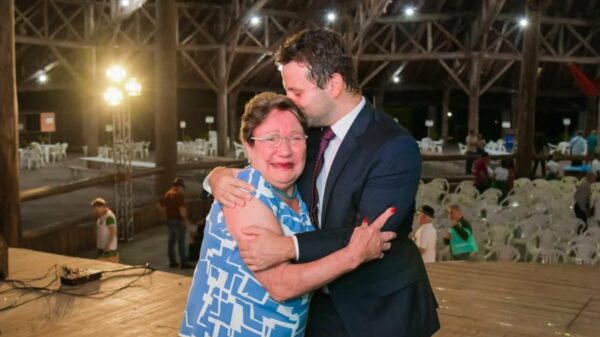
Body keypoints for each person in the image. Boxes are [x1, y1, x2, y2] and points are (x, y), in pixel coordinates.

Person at [205, 29, 439, 337]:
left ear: (334, 85)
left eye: (297, 92)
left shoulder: (393, 145)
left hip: (379, 310)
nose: (290, 102)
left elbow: (369, 235)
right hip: (317, 305)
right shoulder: (309, 135)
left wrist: (287, 246)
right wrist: (216, 176)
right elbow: (267, 162)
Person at [180, 92, 395, 337]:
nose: (285, 150)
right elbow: (280, 285)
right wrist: (353, 255)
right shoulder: (245, 191)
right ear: (249, 146)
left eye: (295, 138)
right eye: (271, 138)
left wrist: (215, 174)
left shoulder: (299, 194)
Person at [158, 177, 194, 269]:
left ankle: (172, 261)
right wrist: (186, 221)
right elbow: (182, 210)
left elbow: (159, 205)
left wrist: (165, 213)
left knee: (171, 241)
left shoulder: (167, 194)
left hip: (170, 220)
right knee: (181, 242)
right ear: (180, 186)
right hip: (178, 221)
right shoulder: (179, 195)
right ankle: (184, 262)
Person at [91, 197, 118, 262]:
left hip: (109, 248)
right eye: (94, 208)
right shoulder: (101, 215)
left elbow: (113, 231)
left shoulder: (109, 217)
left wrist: (108, 245)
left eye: (96, 208)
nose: (95, 210)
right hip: (101, 246)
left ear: (102, 207)